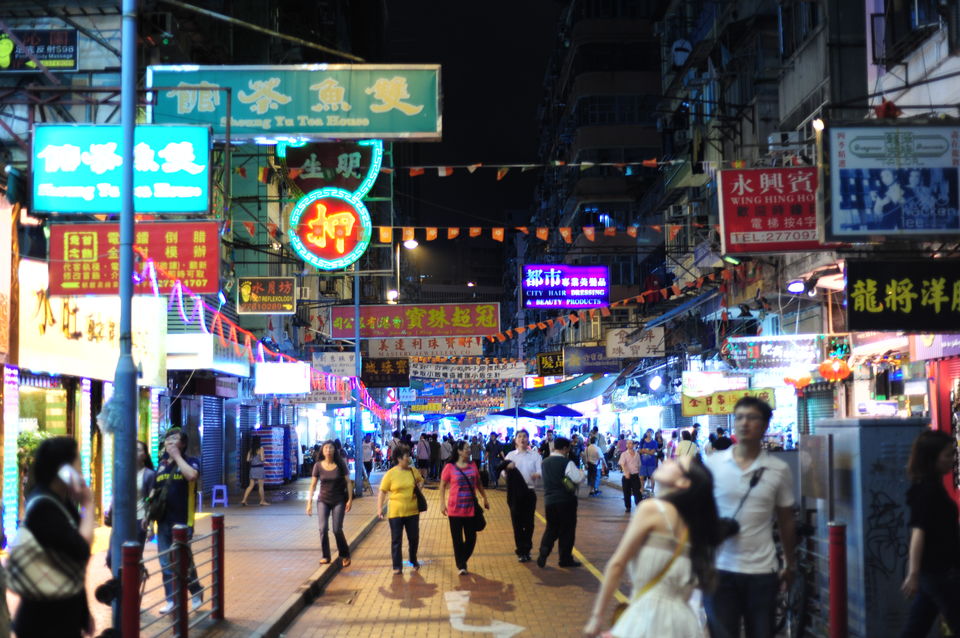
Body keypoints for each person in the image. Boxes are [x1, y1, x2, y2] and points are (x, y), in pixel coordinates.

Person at [584, 454, 726, 637]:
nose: (667, 461)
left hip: (648, 620)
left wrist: (597, 617)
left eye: (675, 463)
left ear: (683, 482)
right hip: (686, 625)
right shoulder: (697, 529)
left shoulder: (652, 509)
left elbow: (617, 565)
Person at [703, 397, 796, 638]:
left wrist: (789, 561)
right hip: (719, 570)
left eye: (752, 418)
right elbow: (699, 513)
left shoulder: (778, 469)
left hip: (762, 573)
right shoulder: (713, 464)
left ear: (765, 426)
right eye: (739, 417)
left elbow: (786, 519)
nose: (744, 423)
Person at [13, 436, 95, 638]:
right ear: (63, 470)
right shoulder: (43, 506)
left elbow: (69, 566)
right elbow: (80, 551)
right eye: (78, 463)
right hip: (43, 622)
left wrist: (83, 613)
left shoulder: (61, 502)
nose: (81, 470)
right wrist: (89, 504)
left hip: (63, 613)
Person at [899, 430, 960, 636]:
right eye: (948, 455)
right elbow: (918, 532)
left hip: (932, 574)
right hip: (940, 572)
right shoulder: (929, 492)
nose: (953, 459)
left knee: (916, 627)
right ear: (933, 458)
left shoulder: (929, 487)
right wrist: (913, 574)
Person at [153, 428, 205, 614]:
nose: (170, 443)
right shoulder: (161, 466)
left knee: (183, 561)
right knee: (165, 563)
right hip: (163, 523)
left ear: (182, 444)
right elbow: (154, 495)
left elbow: (191, 476)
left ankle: (196, 591)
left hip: (183, 523)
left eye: (174, 440)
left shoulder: (191, 462)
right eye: (167, 440)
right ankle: (171, 600)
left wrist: (177, 457)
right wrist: (150, 522)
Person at [441, 441, 490, 574]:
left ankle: (462, 559)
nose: (469, 450)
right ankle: (461, 565)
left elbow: (479, 483)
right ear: (459, 451)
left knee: (471, 538)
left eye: (469, 448)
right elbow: (443, 484)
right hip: (454, 509)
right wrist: (442, 503)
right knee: (457, 539)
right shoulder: (450, 467)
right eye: (467, 448)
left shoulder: (473, 465)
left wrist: (485, 497)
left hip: (470, 509)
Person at [106, 440, 156, 569]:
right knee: (112, 557)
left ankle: (133, 586)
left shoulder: (149, 475)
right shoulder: (122, 472)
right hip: (121, 519)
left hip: (139, 520)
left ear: (144, 455)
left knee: (133, 557)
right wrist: (110, 509)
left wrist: (150, 525)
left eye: (138, 449)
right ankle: (125, 584)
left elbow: (151, 500)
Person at [537, 436, 585, 568]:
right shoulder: (566, 462)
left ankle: (544, 551)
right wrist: (582, 473)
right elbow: (576, 478)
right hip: (566, 500)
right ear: (564, 448)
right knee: (567, 530)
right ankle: (565, 559)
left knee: (551, 528)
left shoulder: (544, 462)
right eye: (568, 449)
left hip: (549, 501)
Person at [306, 440, 354, 568]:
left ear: (335, 450)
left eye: (331, 448)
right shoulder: (318, 466)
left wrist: (349, 499)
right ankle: (326, 556)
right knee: (323, 528)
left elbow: (348, 482)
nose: (328, 450)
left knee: (337, 529)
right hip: (323, 501)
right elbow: (313, 485)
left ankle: (344, 554)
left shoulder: (340, 464)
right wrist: (309, 503)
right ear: (322, 450)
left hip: (339, 500)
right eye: (326, 448)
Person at [377, 444, 423, 574]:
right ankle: (397, 566)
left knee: (413, 538)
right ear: (398, 458)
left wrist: (418, 489)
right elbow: (382, 492)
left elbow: (421, 481)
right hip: (395, 513)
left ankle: (413, 559)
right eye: (406, 456)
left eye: (408, 455)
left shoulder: (413, 471)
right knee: (396, 540)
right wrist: (379, 509)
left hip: (413, 511)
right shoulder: (390, 474)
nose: (408, 458)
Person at [500, 429, 542, 563]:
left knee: (529, 523)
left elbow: (540, 470)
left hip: (529, 492)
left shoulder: (535, 455)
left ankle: (527, 549)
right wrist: (507, 471)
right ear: (515, 440)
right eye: (519, 436)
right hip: (514, 494)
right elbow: (502, 472)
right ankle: (520, 551)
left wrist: (537, 475)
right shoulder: (510, 456)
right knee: (517, 523)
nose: (522, 439)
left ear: (528, 439)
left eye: (525, 436)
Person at [241, 438, 269, 506]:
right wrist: (265, 461)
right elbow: (262, 459)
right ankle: (262, 501)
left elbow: (247, 460)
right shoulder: (261, 448)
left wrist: (253, 460)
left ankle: (244, 500)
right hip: (259, 469)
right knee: (261, 486)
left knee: (250, 486)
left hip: (253, 469)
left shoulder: (251, 450)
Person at [619, 438, 643, 513]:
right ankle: (628, 507)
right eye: (628, 443)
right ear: (626, 445)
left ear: (633, 445)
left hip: (635, 475)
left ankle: (639, 506)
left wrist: (640, 475)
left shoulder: (637, 454)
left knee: (637, 492)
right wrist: (626, 472)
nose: (630, 445)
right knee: (626, 492)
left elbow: (639, 465)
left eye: (631, 443)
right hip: (627, 476)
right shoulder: (624, 454)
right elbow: (622, 464)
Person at [639, 429, 659, 494]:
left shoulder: (654, 442)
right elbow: (639, 451)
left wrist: (644, 450)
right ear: (646, 433)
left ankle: (652, 490)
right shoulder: (642, 441)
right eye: (648, 432)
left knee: (652, 477)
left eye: (651, 432)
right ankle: (642, 488)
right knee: (642, 477)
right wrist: (648, 451)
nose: (649, 433)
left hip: (651, 463)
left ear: (653, 434)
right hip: (643, 463)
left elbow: (652, 453)